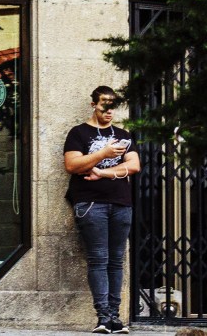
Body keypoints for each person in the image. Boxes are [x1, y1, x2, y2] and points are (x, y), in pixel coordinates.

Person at [64, 86, 141, 334]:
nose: (109, 110)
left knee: (116, 261)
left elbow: (134, 166)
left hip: (121, 202)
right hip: (90, 204)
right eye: (104, 104)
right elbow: (72, 165)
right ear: (94, 105)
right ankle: (103, 317)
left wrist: (102, 173)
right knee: (98, 259)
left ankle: (116, 318)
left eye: (112, 106)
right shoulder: (78, 133)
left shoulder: (123, 135)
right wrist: (104, 153)